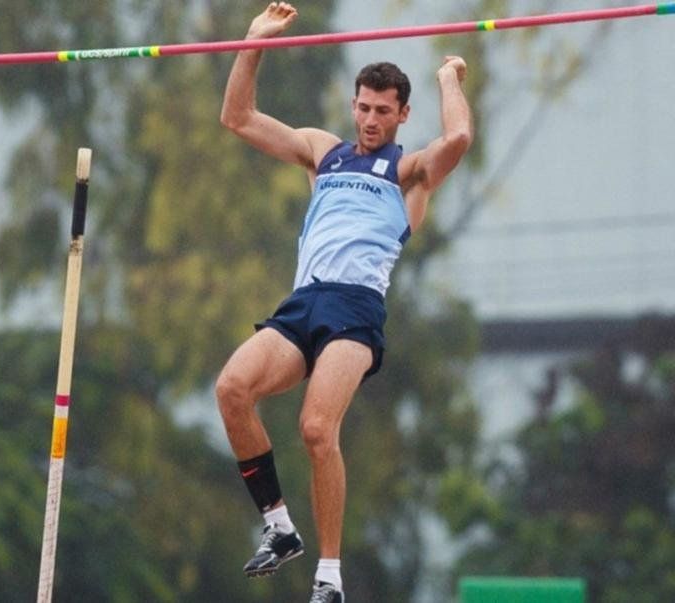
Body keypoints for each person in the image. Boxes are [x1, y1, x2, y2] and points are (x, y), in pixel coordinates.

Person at [217, 2, 473, 602]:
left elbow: (459, 137)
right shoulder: (322, 151)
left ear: (402, 114)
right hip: (304, 302)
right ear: (352, 105)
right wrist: (254, 39)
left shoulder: (409, 171)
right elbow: (237, 117)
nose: (370, 119)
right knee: (232, 389)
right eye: (363, 107)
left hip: (355, 312)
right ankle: (279, 527)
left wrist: (448, 77)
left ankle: (329, 577)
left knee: (315, 428)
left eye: (383, 111)